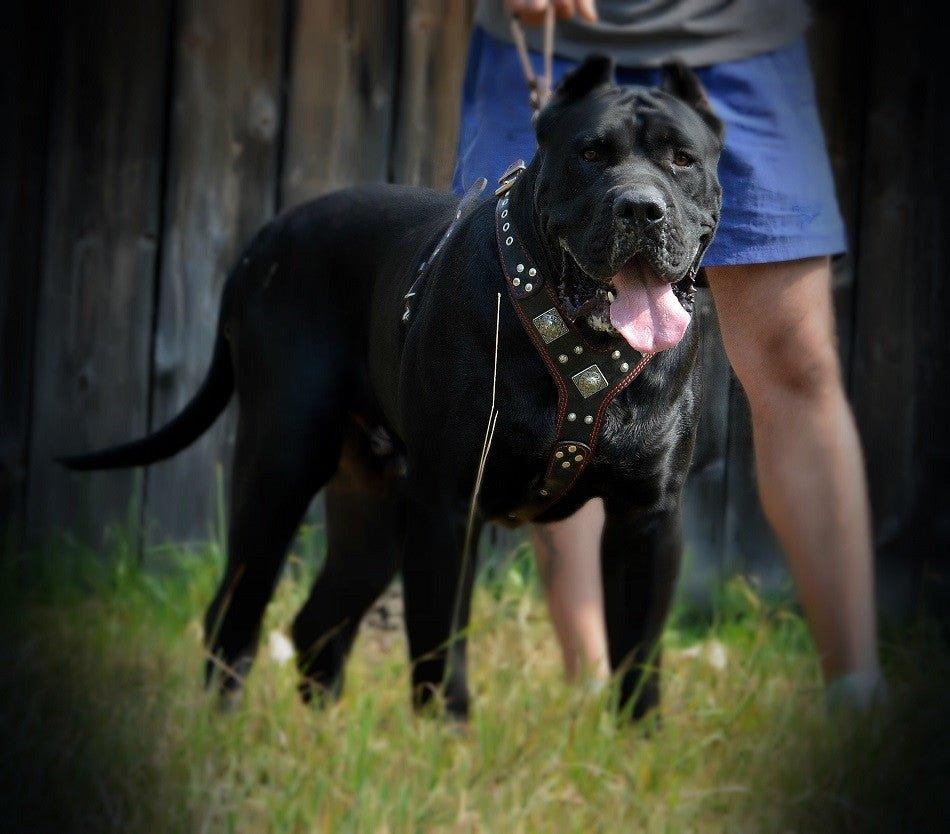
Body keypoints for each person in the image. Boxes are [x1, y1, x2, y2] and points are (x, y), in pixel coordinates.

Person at [452, 0, 885, 707]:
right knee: (552, 363)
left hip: (741, 40)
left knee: (798, 361)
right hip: (554, 38)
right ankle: (595, 693)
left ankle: (857, 689)